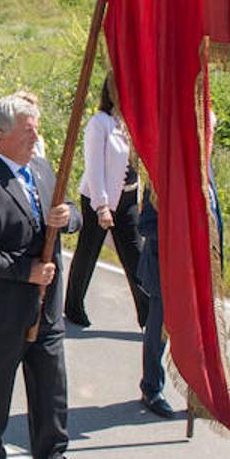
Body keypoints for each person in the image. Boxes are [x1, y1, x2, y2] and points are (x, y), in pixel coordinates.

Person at [0, 94, 92, 459]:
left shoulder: (45, 170)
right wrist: (24, 271)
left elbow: (73, 213)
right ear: (0, 135)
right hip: (2, 310)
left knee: (52, 385)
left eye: (36, 127)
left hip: (46, 307)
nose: (36, 134)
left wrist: (69, 218)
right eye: (26, 128)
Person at [64, 70, 149, 331]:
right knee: (88, 253)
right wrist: (101, 206)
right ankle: (73, 307)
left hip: (127, 201)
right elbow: (94, 168)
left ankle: (149, 318)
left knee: (136, 257)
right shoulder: (99, 123)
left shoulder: (133, 122)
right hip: (97, 199)